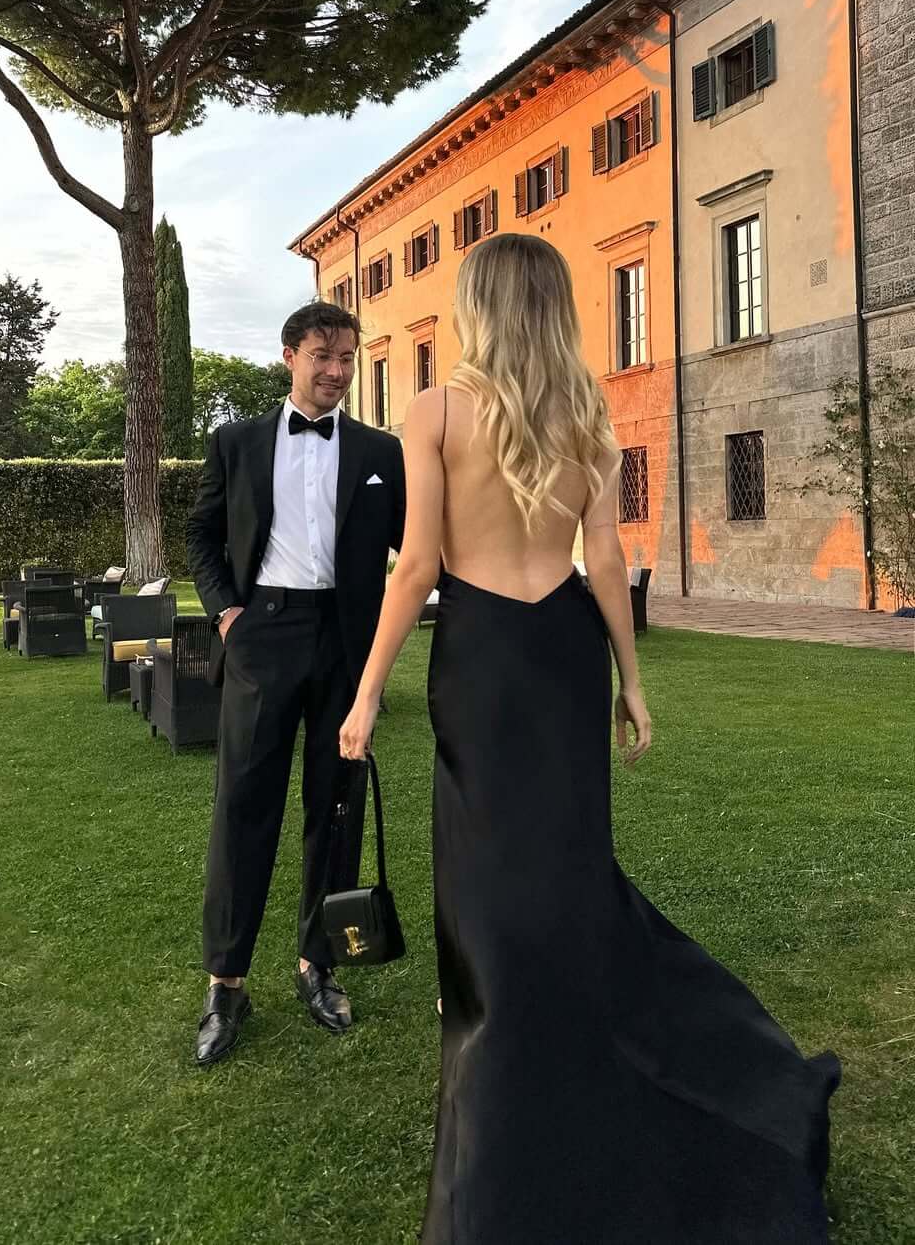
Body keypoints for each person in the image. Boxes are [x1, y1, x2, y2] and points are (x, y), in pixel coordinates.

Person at [339, 234, 839, 1242]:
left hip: (483, 660)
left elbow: (417, 566)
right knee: (570, 865)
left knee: (483, 869)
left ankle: (499, 1067)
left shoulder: (435, 412)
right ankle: (582, 1045)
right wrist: (631, 680)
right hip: (564, 652)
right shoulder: (586, 412)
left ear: (479, 306)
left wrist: (365, 692)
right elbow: (605, 559)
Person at [186, 300, 405, 1066]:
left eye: (347, 357)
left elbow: (415, 547)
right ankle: (226, 984)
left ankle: (320, 964)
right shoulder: (236, 442)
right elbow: (201, 535)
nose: (338, 371)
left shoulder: (381, 452)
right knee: (243, 807)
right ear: (290, 356)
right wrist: (228, 616)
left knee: (336, 809)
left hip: (345, 645)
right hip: (263, 635)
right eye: (323, 356)